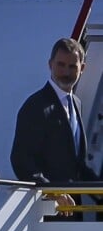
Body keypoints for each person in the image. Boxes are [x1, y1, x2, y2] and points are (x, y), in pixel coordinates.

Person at [10, 37, 99, 215]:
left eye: (72, 66)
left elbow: (77, 165)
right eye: (61, 65)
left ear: (82, 69)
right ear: (50, 64)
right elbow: (21, 160)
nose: (66, 72)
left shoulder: (76, 103)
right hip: (48, 211)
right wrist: (53, 192)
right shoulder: (36, 106)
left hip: (72, 208)